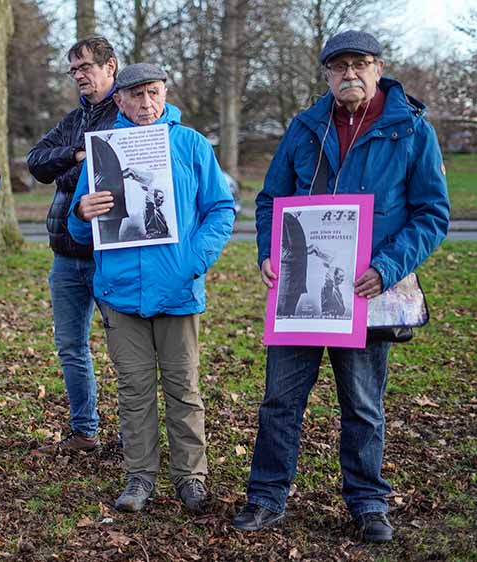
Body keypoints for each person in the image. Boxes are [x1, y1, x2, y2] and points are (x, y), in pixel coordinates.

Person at [232, 30, 450, 543]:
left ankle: (369, 503)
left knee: (363, 405)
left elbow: (432, 214)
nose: (349, 73)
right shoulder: (306, 126)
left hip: (366, 292)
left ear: (378, 69)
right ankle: (266, 498)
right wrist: (268, 249)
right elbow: (271, 198)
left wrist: (388, 267)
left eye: (360, 63)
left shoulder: (411, 130)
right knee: (280, 402)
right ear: (327, 74)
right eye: (339, 66)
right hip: (301, 292)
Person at [69, 63, 235, 514]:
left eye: (154, 93)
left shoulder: (191, 144)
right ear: (118, 100)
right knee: (134, 389)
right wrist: (82, 212)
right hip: (120, 292)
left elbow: (221, 209)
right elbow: (80, 230)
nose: (146, 104)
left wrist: (193, 260)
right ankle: (140, 475)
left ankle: (191, 478)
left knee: (183, 388)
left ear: (165, 93)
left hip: (178, 290)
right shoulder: (103, 151)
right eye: (136, 96)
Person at [26, 36, 119, 455]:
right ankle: (85, 431)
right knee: (71, 347)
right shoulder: (73, 121)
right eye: (74, 70)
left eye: (86, 67)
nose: (80, 75)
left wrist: (73, 167)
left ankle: (135, 434)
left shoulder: (126, 115)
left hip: (110, 255)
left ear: (110, 67)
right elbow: (36, 162)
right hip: (65, 255)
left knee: (126, 350)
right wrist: (77, 156)